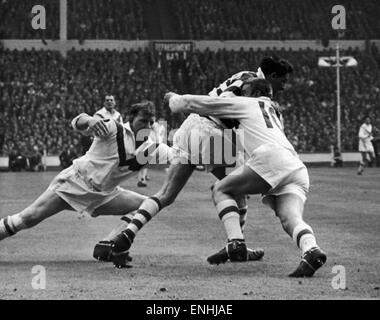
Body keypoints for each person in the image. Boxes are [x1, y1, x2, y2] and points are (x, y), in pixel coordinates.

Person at [97, 57, 294, 267]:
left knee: (166, 194)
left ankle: (127, 234)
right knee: (236, 191)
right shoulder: (251, 85)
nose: (284, 86)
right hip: (212, 131)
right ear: (272, 76)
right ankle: (237, 244)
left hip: (190, 127)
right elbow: (227, 107)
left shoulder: (243, 76)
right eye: (283, 80)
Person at [164, 78, 327, 278]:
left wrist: (174, 97)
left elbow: (192, 103)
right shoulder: (275, 111)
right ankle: (311, 250)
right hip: (296, 166)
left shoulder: (246, 103)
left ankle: (236, 242)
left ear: (253, 93)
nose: (241, 94)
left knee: (221, 189)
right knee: (290, 217)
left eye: (245, 91)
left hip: (271, 158)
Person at [0, 102, 172, 263]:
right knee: (28, 218)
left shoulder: (151, 149)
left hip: (104, 195)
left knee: (147, 205)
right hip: (75, 183)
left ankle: (108, 245)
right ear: (131, 119)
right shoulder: (113, 128)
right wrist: (89, 119)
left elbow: (180, 157)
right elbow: (77, 121)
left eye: (151, 122)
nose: (147, 127)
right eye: (143, 121)